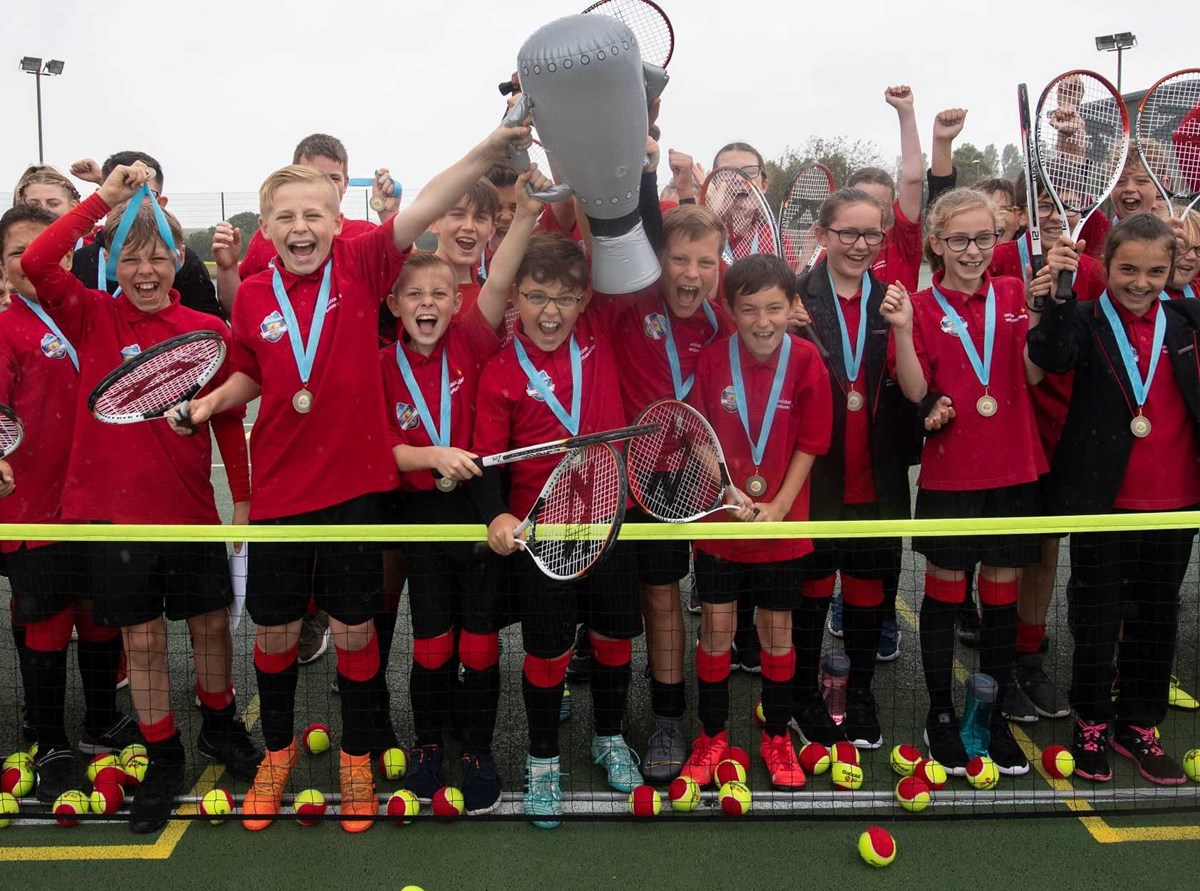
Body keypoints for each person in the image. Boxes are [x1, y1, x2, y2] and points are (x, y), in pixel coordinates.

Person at [182, 120, 530, 833]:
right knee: (275, 635)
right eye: (286, 217)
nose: (301, 226)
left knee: (354, 630)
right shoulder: (250, 294)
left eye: (314, 214)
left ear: (339, 221)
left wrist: (487, 153)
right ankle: (277, 754)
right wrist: (216, 399)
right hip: (279, 489)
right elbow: (255, 371)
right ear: (266, 228)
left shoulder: (364, 263)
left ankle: (358, 755)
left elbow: (431, 203)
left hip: (352, 494)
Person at [20, 162, 261, 833]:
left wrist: (240, 502)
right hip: (113, 522)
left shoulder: (208, 330)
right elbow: (39, 258)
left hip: (191, 519)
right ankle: (163, 754)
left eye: (159, 255)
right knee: (145, 644)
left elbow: (228, 421)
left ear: (179, 259)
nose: (146, 270)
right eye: (132, 255)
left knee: (211, 627)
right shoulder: (90, 314)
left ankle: (219, 724)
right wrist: (103, 198)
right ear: (112, 260)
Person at [383, 168, 551, 815]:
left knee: (480, 645)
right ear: (396, 304)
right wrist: (431, 455)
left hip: (484, 515)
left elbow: (503, 272)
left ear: (459, 301)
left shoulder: (475, 335)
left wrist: (529, 214)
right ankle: (428, 745)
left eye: (441, 293)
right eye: (413, 294)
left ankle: (477, 748)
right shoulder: (383, 363)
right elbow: (383, 448)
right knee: (430, 644)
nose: (428, 303)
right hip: (425, 523)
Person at [475, 233, 642, 829]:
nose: (551, 312)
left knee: (613, 642)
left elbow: (609, 234)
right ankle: (543, 758)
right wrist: (496, 514)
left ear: (585, 300)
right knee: (547, 655)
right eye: (537, 296)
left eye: (566, 298)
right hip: (541, 539)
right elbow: (487, 461)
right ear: (514, 296)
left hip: (610, 522)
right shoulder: (498, 372)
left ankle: (609, 736)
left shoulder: (600, 335)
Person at [1027, 213, 1198, 786]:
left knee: (1157, 618)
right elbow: (1050, 355)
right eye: (1127, 269)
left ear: (1172, 270)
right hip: (1103, 499)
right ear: (1106, 265)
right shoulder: (1083, 318)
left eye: (1155, 271)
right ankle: (1093, 720)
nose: (1140, 282)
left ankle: (1140, 724)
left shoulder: (1189, 320)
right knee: (1098, 618)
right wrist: (1056, 293)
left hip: (1177, 503)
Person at [882, 187, 1045, 777]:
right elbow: (912, 387)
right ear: (937, 244)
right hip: (952, 475)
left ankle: (992, 712)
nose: (973, 250)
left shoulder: (1014, 291)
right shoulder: (922, 307)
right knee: (946, 598)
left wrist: (1046, 316)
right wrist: (901, 327)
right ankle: (942, 715)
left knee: (1001, 604)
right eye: (959, 239)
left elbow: (1031, 369)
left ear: (998, 239)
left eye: (984, 238)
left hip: (1015, 470)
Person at [0, 204, 140, 802]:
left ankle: (100, 721)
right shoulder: (6, 326)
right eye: (18, 252)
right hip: (32, 505)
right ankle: (47, 734)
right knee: (48, 621)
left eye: (49, 247)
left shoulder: (91, 312)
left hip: (97, 503)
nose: (36, 261)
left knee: (99, 615)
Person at [682, 253, 831, 790]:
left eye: (774, 307)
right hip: (724, 524)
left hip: (781, 528)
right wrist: (725, 490)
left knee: (776, 634)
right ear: (730, 309)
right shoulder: (712, 360)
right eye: (749, 310)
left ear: (792, 306)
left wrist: (780, 507)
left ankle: (776, 737)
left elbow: (812, 445)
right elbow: (700, 435)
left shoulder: (808, 360)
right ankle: (713, 734)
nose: (762, 321)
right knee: (717, 632)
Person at [606, 202, 733, 781]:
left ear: (717, 268)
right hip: (611, 478)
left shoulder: (724, 326)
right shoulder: (629, 306)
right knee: (601, 608)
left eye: (704, 262)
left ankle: (665, 717)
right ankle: (604, 725)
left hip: (675, 485)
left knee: (662, 597)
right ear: (658, 261)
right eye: (679, 258)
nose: (690, 273)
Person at [793, 189, 923, 750]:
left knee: (871, 595)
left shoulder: (893, 300)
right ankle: (801, 693)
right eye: (848, 232)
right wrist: (787, 329)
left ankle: (862, 691)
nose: (860, 244)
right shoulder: (794, 297)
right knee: (810, 594)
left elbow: (915, 390)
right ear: (822, 234)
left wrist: (904, 329)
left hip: (878, 479)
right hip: (813, 481)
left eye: (872, 234)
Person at [70, 152, 224, 321]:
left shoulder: (182, 260)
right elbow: (38, 265)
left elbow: (209, 330)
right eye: (120, 195)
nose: (130, 203)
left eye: (142, 195)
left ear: (161, 203)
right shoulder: (82, 260)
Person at [848, 86, 925, 294]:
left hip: (901, 327)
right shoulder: (835, 247)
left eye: (879, 205)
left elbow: (913, 178)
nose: (870, 212)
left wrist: (905, 111)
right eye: (862, 203)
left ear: (892, 207)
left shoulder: (900, 242)